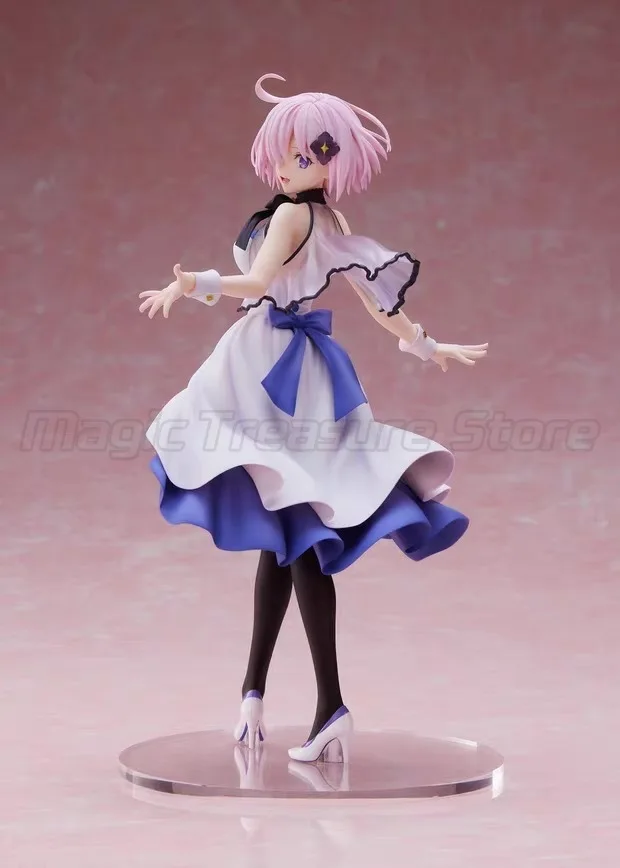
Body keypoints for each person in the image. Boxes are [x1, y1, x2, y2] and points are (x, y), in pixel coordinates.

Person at [139, 73, 488, 764]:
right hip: (292, 371)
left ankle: (329, 707)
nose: (287, 164)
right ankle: (254, 696)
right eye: (284, 152)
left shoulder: (297, 217)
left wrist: (192, 284)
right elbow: (379, 306)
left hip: (272, 374)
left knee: (296, 533)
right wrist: (427, 345)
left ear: (330, 161)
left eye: (303, 154)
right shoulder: (327, 221)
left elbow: (258, 284)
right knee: (283, 534)